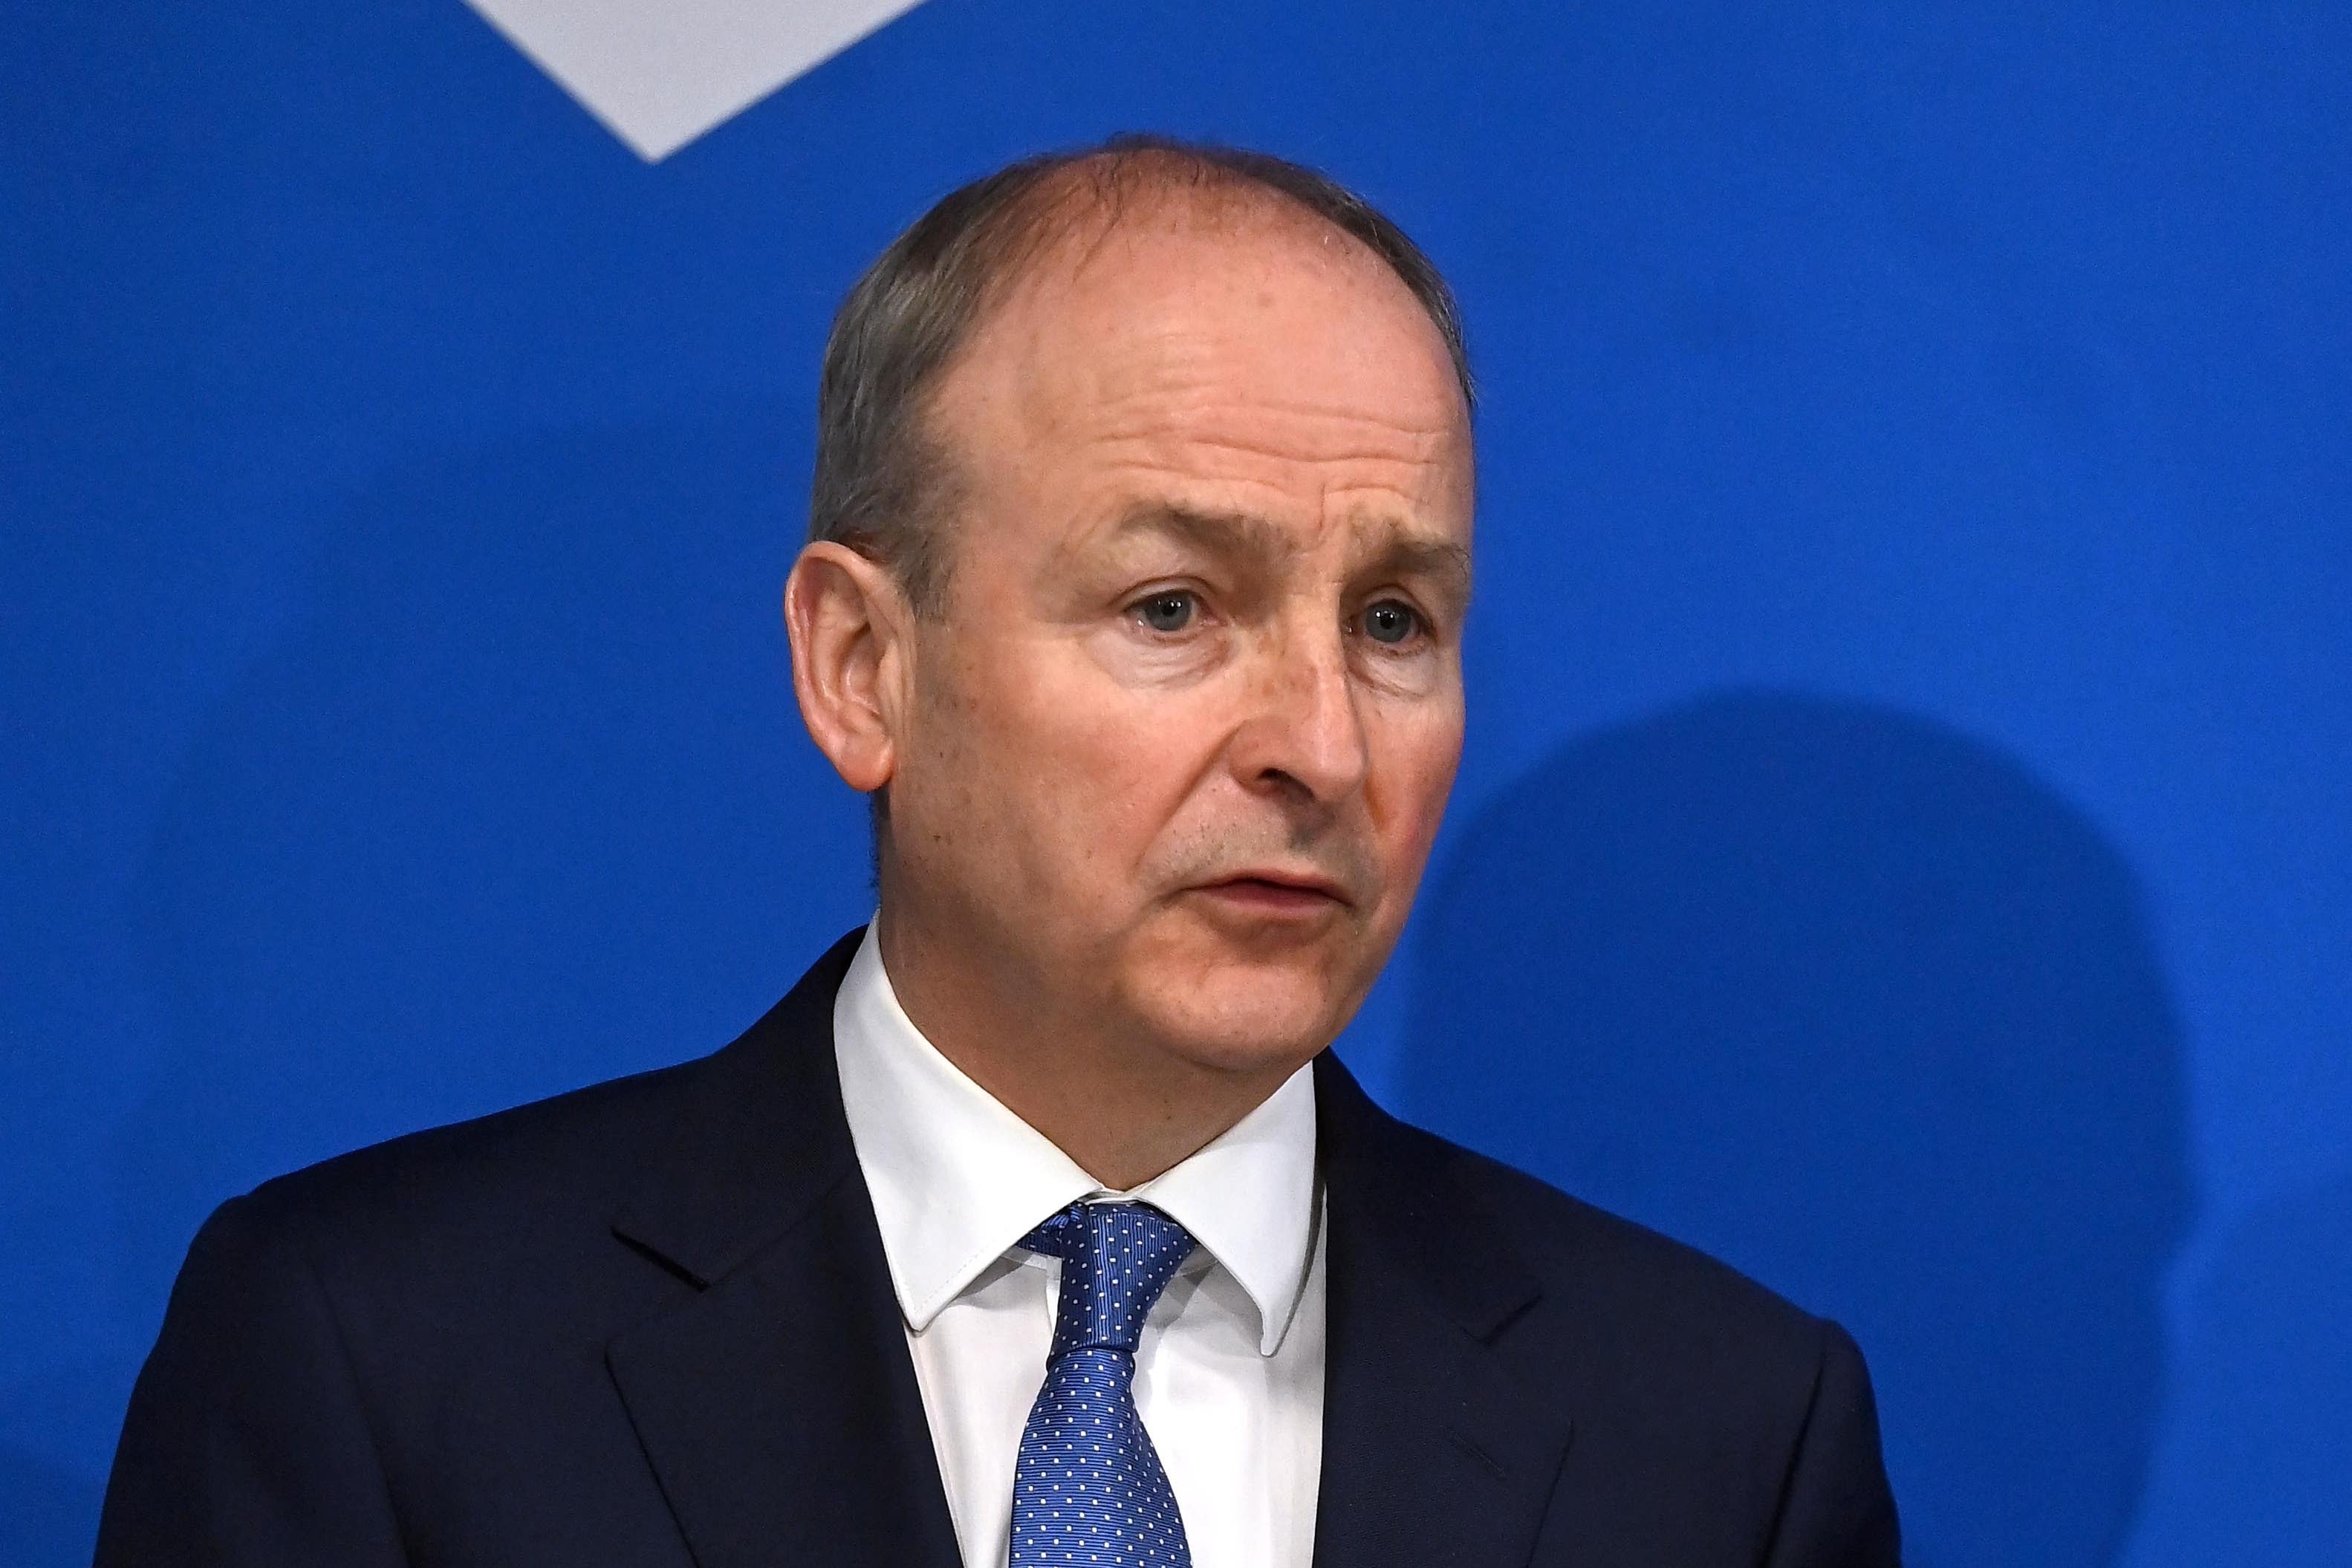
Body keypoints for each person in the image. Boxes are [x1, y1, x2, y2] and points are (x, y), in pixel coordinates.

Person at [95, 137, 1900, 1568]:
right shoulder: (380, 1357)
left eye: (1394, 619)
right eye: (1173, 605)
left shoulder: (1715, 1439)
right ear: (863, 667)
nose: (1321, 745)